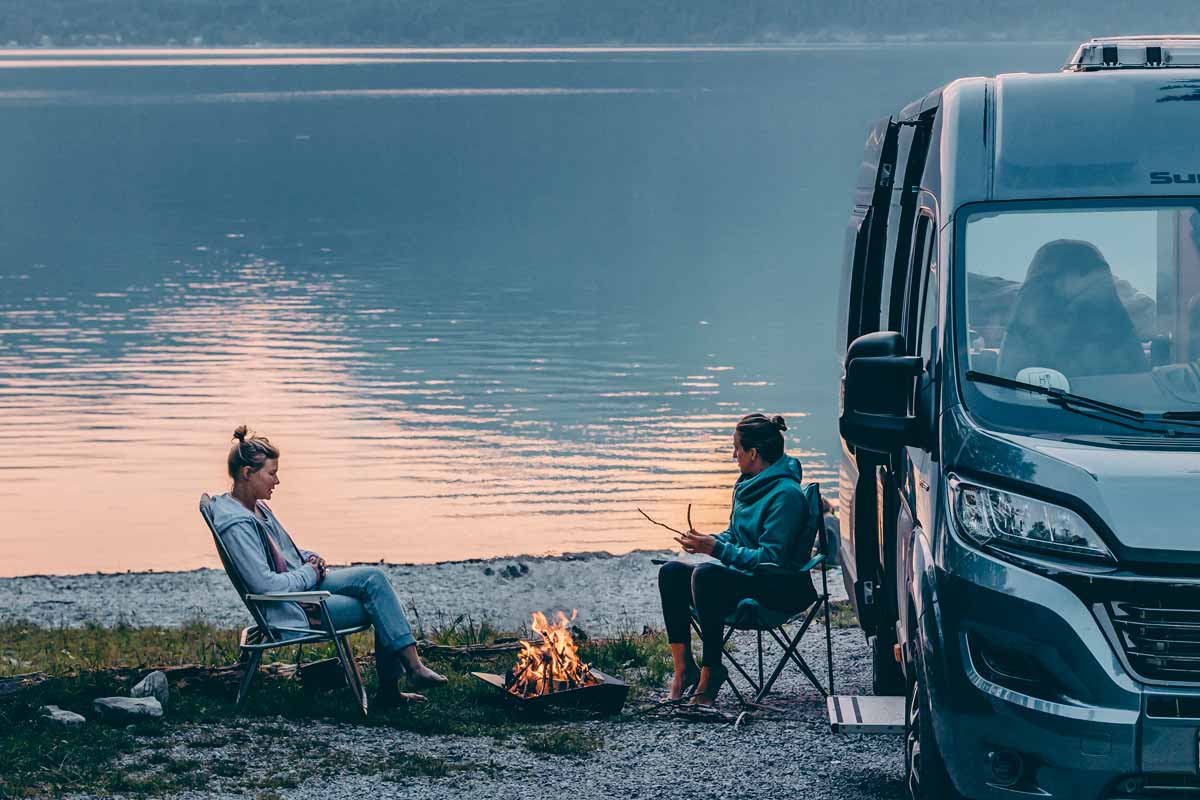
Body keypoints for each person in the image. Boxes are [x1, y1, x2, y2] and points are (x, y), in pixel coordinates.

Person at [208, 425, 447, 709]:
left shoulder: (256, 508)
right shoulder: (237, 525)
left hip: (300, 587)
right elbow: (265, 586)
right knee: (380, 605)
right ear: (248, 473)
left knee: (374, 579)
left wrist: (310, 558)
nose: (277, 480)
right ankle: (396, 686)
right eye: (271, 474)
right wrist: (309, 572)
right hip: (289, 608)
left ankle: (410, 671)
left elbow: (285, 554)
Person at [657, 413, 817, 705]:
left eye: (737, 448)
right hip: (752, 579)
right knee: (671, 572)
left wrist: (717, 550)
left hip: (780, 588)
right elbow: (736, 534)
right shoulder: (747, 484)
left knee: (707, 575)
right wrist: (710, 541)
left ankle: (711, 672)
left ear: (753, 453)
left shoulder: (786, 496)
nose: (734, 455)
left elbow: (771, 559)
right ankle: (684, 669)